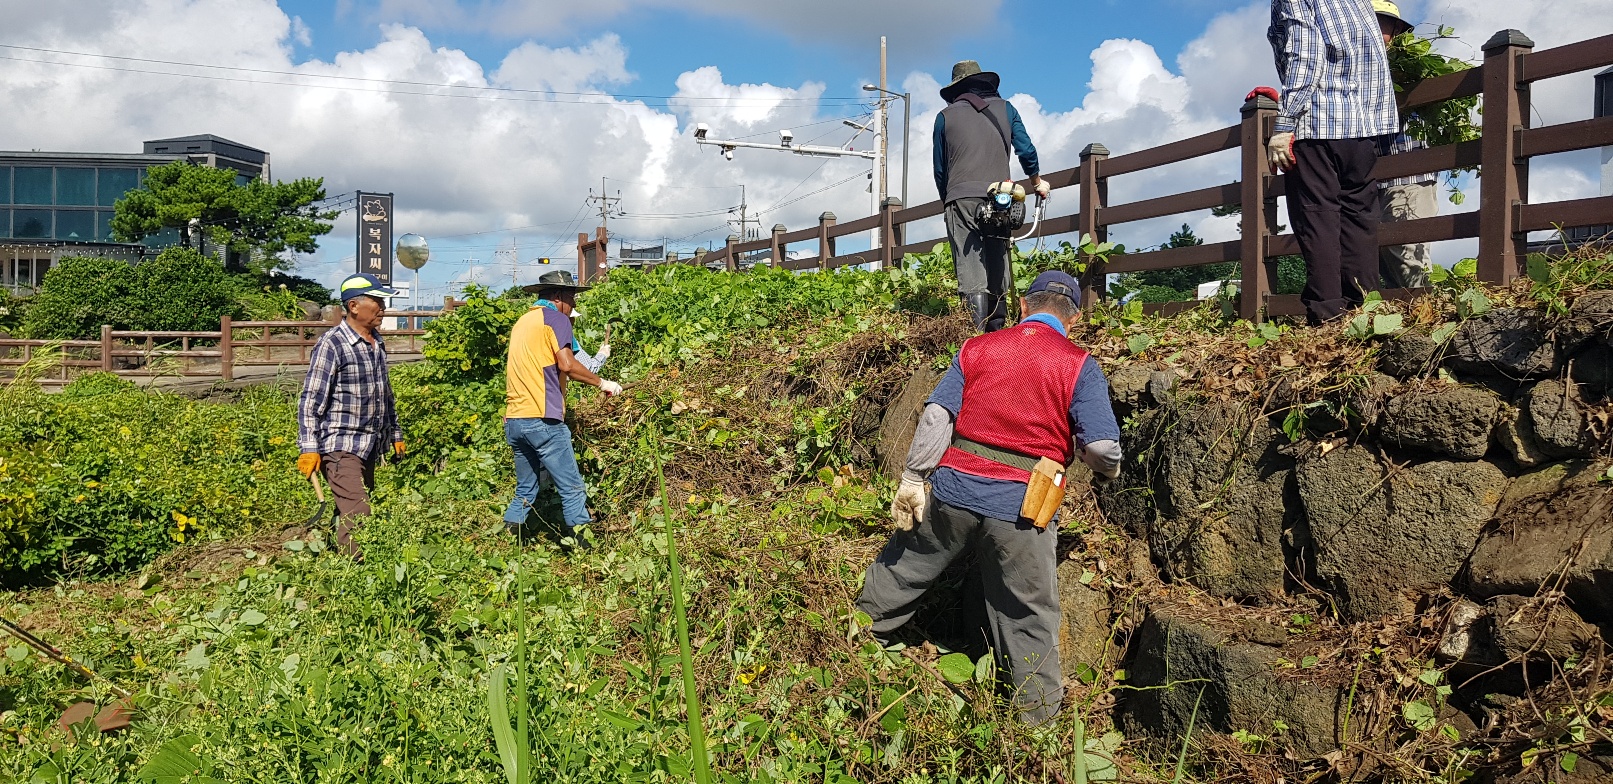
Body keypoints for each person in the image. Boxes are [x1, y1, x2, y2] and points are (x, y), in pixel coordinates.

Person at [856, 271, 1122, 726]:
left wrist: (914, 477)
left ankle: (852, 642)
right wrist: (1108, 467)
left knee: (904, 568)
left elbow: (938, 416)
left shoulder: (978, 348)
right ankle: (1036, 728)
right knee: (1027, 613)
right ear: (1074, 319)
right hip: (1025, 506)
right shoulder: (1079, 364)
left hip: (955, 489)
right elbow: (1100, 449)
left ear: (1022, 305)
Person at [1266, 0, 1400, 324]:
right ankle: (1366, 313)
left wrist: (1285, 124)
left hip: (1319, 123)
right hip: (1362, 128)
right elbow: (1374, 61)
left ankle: (1326, 320)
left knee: (1317, 220)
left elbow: (1305, 55)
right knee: (1359, 219)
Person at [503, 269, 623, 546]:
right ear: (558, 297)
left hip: (514, 420)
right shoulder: (557, 318)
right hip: (542, 419)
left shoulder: (523, 321)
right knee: (571, 487)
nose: (575, 305)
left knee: (526, 486)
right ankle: (584, 549)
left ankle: (510, 541)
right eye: (572, 297)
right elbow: (567, 365)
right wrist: (603, 382)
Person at [934, 60, 1049, 333]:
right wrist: (1036, 182)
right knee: (998, 260)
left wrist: (949, 199)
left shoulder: (944, 116)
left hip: (960, 197)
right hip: (1001, 196)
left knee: (970, 267)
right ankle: (998, 333)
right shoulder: (1007, 109)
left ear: (956, 89)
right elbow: (1026, 150)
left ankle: (975, 337)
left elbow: (940, 169)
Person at [296, 272, 405, 559]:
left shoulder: (376, 343)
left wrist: (395, 434)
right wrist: (309, 449)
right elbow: (311, 399)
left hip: (369, 444)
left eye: (383, 301)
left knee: (354, 505)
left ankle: (331, 552)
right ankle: (358, 573)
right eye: (377, 301)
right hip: (340, 445)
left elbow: (385, 394)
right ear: (354, 306)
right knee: (359, 512)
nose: (382, 307)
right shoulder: (332, 344)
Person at [1373, 0, 1436, 290]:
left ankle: (1426, 313)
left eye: (1384, 25)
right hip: (1371, 179)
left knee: (1407, 253)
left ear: (1396, 32)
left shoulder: (1409, 69)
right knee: (1379, 254)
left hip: (1409, 172)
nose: (1377, 31)